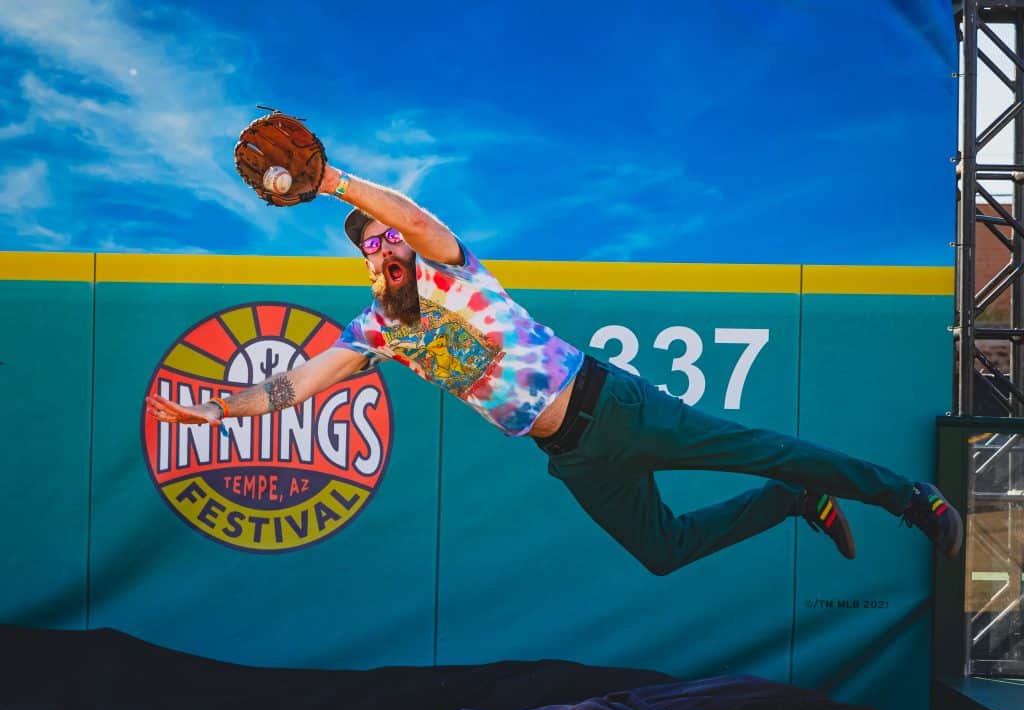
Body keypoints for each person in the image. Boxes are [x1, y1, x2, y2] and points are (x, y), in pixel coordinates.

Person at [145, 165, 963, 574]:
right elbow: (292, 385)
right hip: (572, 455)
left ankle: (910, 498)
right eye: (368, 245)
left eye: (385, 235)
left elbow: (413, 214)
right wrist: (216, 411)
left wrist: (331, 184)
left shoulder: (450, 268)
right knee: (662, 551)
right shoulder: (378, 330)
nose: (381, 245)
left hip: (617, 406)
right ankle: (793, 502)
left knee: (763, 447)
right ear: (365, 266)